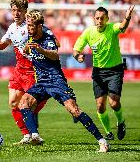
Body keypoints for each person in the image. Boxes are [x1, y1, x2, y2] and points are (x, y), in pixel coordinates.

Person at [19, 9, 109, 152]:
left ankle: (102, 141)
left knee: (74, 110)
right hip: (41, 82)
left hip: (56, 81)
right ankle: (34, 135)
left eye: (31, 26)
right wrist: (26, 49)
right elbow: (27, 50)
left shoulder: (47, 38)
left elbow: (55, 56)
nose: (28, 28)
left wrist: (40, 49)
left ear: (39, 26)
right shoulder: (31, 37)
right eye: (28, 25)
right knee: (23, 103)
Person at [0, 0, 47, 145]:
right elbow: (2, 46)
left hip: (32, 71)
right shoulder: (12, 28)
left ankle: (34, 132)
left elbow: (48, 40)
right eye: (13, 10)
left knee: (30, 104)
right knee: (14, 103)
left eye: (19, 10)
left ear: (25, 11)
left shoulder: (31, 26)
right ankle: (27, 135)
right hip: (19, 70)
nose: (16, 13)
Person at [72, 6, 135, 140]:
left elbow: (123, 27)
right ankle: (108, 132)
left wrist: (127, 17)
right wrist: (78, 57)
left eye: (102, 18)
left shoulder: (112, 28)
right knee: (100, 106)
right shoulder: (89, 33)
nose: (99, 20)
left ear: (107, 19)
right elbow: (76, 49)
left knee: (113, 103)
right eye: (97, 18)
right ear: (94, 19)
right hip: (98, 72)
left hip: (115, 70)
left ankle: (121, 121)